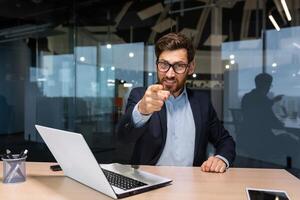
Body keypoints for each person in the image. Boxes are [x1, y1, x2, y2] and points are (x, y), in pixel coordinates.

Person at [117, 33, 235, 173]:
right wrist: (142, 110)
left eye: (179, 66)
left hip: (193, 185)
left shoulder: (202, 102)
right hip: (149, 184)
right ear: (157, 65)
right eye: (164, 65)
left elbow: (225, 140)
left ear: (190, 67)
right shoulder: (140, 96)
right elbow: (123, 137)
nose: (169, 74)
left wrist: (221, 159)